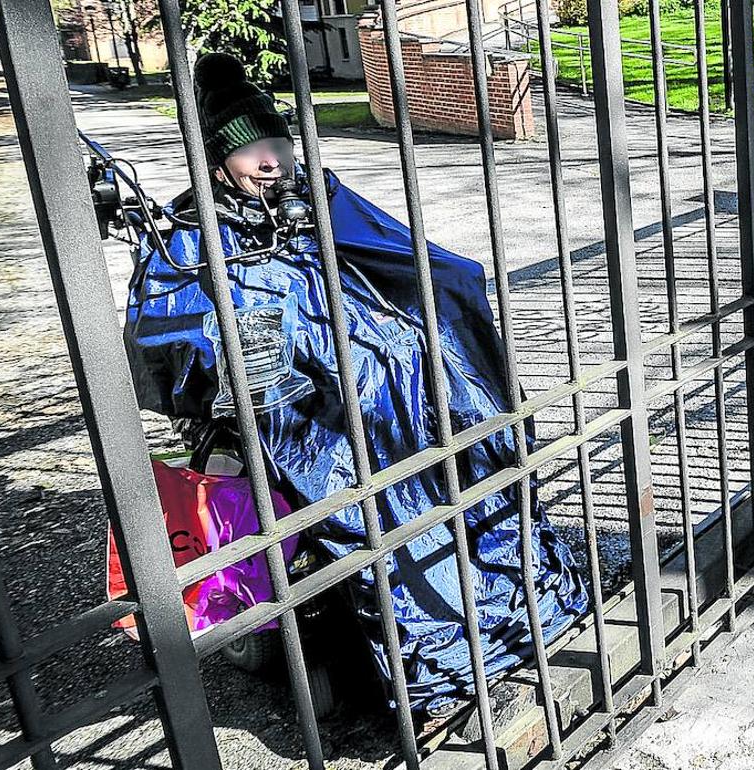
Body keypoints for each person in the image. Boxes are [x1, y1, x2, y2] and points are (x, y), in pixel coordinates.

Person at [123, 53, 588, 713]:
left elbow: (407, 257)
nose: (270, 160)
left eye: (277, 142)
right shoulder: (187, 234)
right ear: (216, 160)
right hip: (308, 409)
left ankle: (518, 604)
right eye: (250, 149)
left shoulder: (315, 194)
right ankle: (436, 652)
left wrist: (444, 309)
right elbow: (173, 339)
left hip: (388, 374)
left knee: (465, 423)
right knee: (375, 490)